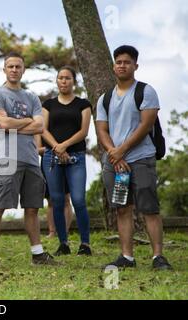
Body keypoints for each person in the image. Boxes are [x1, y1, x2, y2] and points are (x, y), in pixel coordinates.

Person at [96, 45, 172, 270]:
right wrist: (114, 154)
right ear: (113, 66)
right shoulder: (105, 98)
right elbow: (101, 129)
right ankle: (126, 257)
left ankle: (158, 257)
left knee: (149, 208)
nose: (122, 65)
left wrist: (122, 150)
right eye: (118, 62)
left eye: (126, 62)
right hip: (115, 164)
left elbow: (145, 124)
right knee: (121, 208)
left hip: (141, 159)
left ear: (135, 66)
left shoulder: (146, 91)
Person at [0, 52, 56, 267]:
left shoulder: (32, 97)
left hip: (32, 160)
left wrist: (15, 123)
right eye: (10, 66)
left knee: (32, 207)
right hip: (8, 158)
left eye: (18, 67)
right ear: (4, 70)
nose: (14, 70)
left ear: (23, 70)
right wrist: (25, 122)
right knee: (0, 205)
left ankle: (37, 254)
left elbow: (40, 126)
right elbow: (3, 124)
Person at [41, 66, 92, 256]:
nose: (63, 81)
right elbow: (43, 129)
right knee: (57, 200)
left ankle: (85, 244)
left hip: (76, 157)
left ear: (73, 81)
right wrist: (57, 147)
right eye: (60, 78)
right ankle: (63, 243)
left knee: (78, 199)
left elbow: (84, 131)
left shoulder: (83, 104)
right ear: (57, 81)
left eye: (67, 78)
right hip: (51, 157)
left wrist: (65, 146)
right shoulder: (48, 105)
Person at [36, 136, 74, 238]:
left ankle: (64, 232)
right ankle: (52, 231)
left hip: (65, 160)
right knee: (51, 200)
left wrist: (64, 148)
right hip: (48, 163)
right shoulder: (41, 127)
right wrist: (56, 148)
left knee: (66, 199)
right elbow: (37, 150)